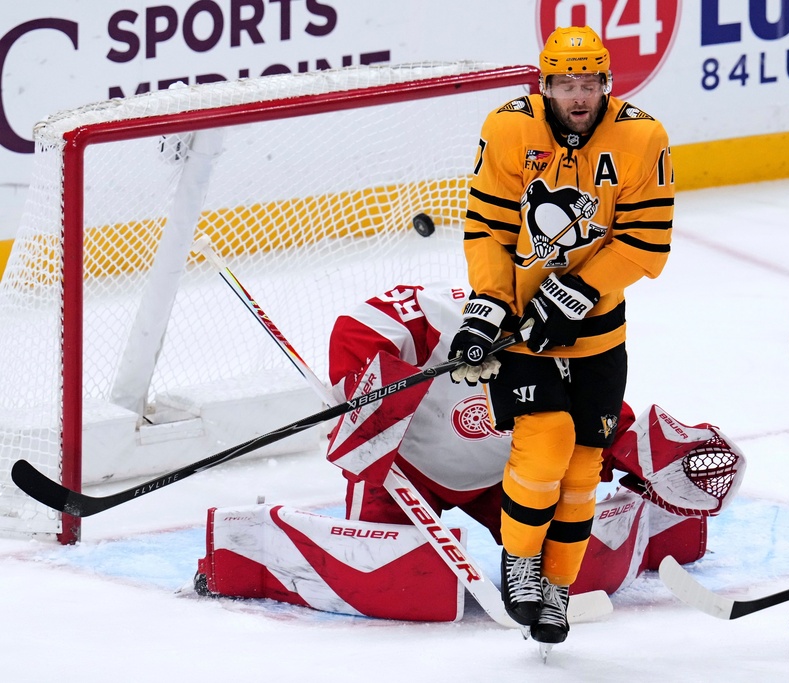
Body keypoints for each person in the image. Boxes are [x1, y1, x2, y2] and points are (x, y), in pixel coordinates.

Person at [193, 282, 745, 623]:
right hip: (403, 472)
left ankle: (652, 530)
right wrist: (380, 397)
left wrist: (651, 462)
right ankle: (252, 547)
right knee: (399, 582)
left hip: (506, 478)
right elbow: (357, 333)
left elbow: (605, 428)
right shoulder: (427, 320)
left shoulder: (559, 349)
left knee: (569, 563)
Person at [445, 25, 674, 645]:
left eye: (590, 83)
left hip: (599, 336)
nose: (578, 96)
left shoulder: (642, 136)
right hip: (525, 335)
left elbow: (648, 242)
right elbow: (487, 226)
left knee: (581, 470)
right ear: (543, 85)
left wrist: (580, 290)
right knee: (544, 442)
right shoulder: (509, 129)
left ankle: (559, 585)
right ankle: (519, 559)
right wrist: (487, 307)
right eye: (565, 84)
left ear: (607, 83)